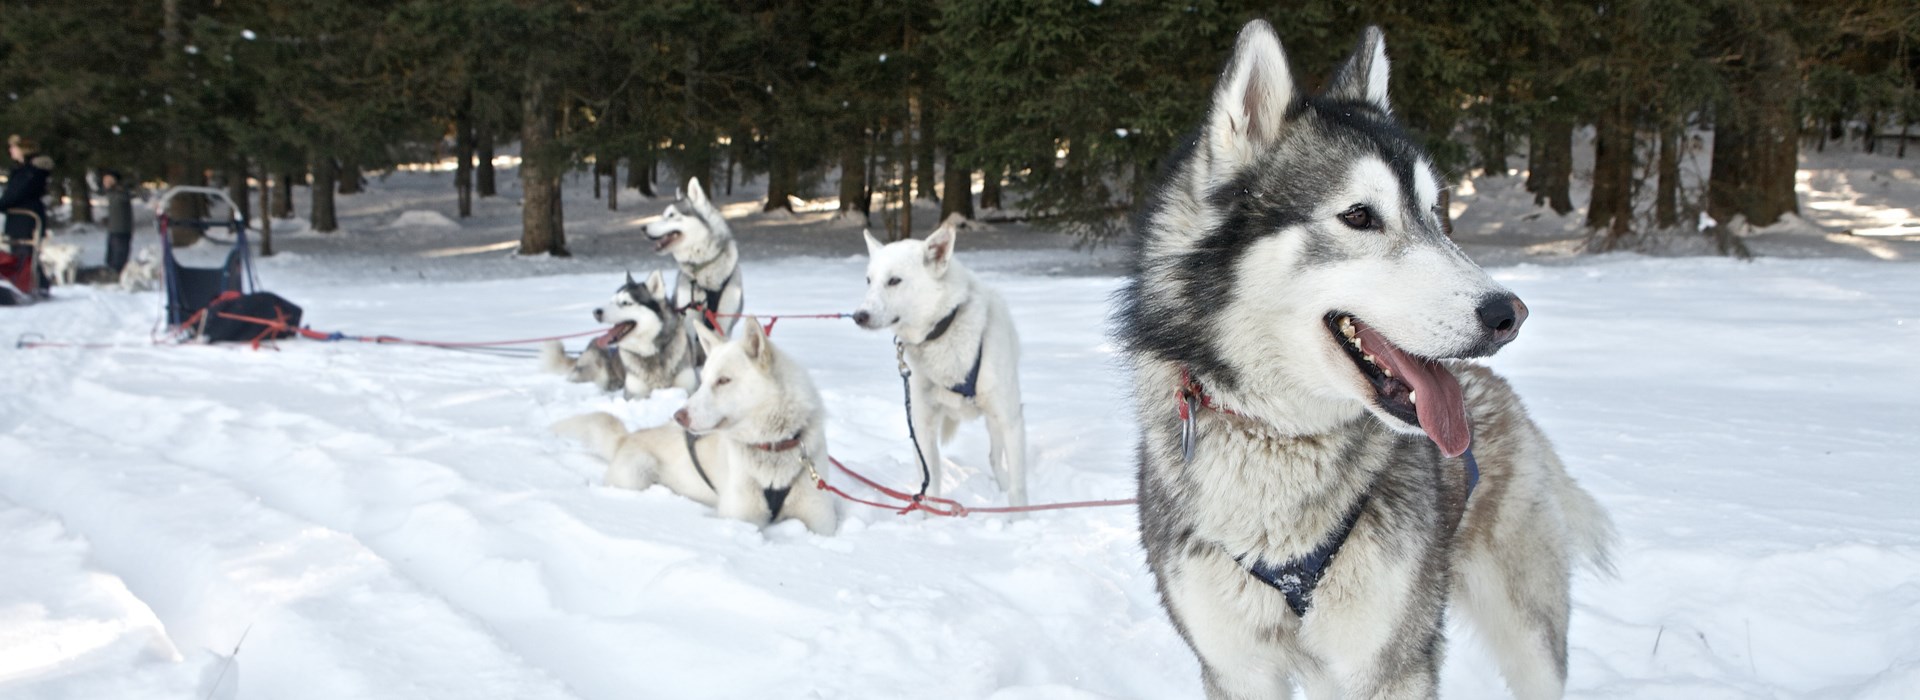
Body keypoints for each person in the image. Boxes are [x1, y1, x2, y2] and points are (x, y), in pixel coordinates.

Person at [0, 134, 53, 295]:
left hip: (27, 217)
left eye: (14, 147)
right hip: (19, 217)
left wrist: (2, 204)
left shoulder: (31, 171)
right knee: (20, 250)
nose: (11, 150)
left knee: (26, 251)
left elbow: (17, 193)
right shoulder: (23, 170)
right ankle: (33, 284)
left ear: (23, 149)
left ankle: (28, 285)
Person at [101, 170, 135, 272]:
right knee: (111, 257)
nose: (105, 182)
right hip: (113, 228)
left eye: (107, 180)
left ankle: (118, 275)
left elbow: (128, 195)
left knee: (118, 257)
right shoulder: (111, 193)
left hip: (121, 230)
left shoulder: (120, 192)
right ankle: (113, 273)